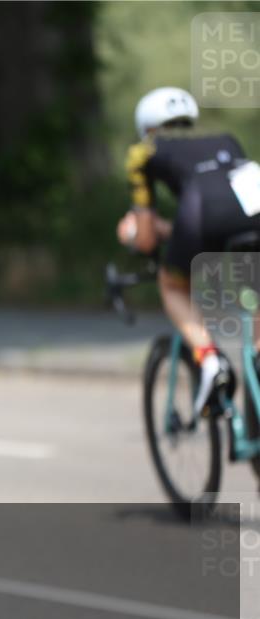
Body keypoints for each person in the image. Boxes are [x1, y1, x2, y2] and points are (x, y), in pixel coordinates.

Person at [117, 87, 260, 419]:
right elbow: (230, 202)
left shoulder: (142, 152)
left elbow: (148, 240)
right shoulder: (226, 138)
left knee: (172, 285)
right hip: (254, 207)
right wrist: (171, 229)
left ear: (146, 127)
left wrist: (132, 234)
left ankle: (209, 360)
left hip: (202, 210)